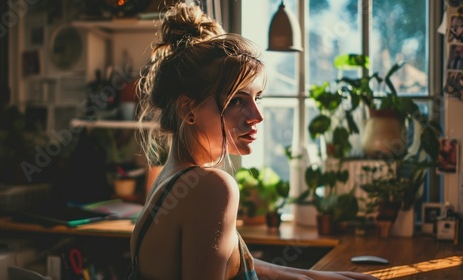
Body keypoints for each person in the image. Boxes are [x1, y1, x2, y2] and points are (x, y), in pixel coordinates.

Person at [127, 3, 377, 280]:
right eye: (236, 100)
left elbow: (232, 263)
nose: (257, 116)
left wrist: (318, 277)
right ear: (189, 110)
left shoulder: (168, 180)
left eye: (257, 98)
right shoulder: (211, 187)